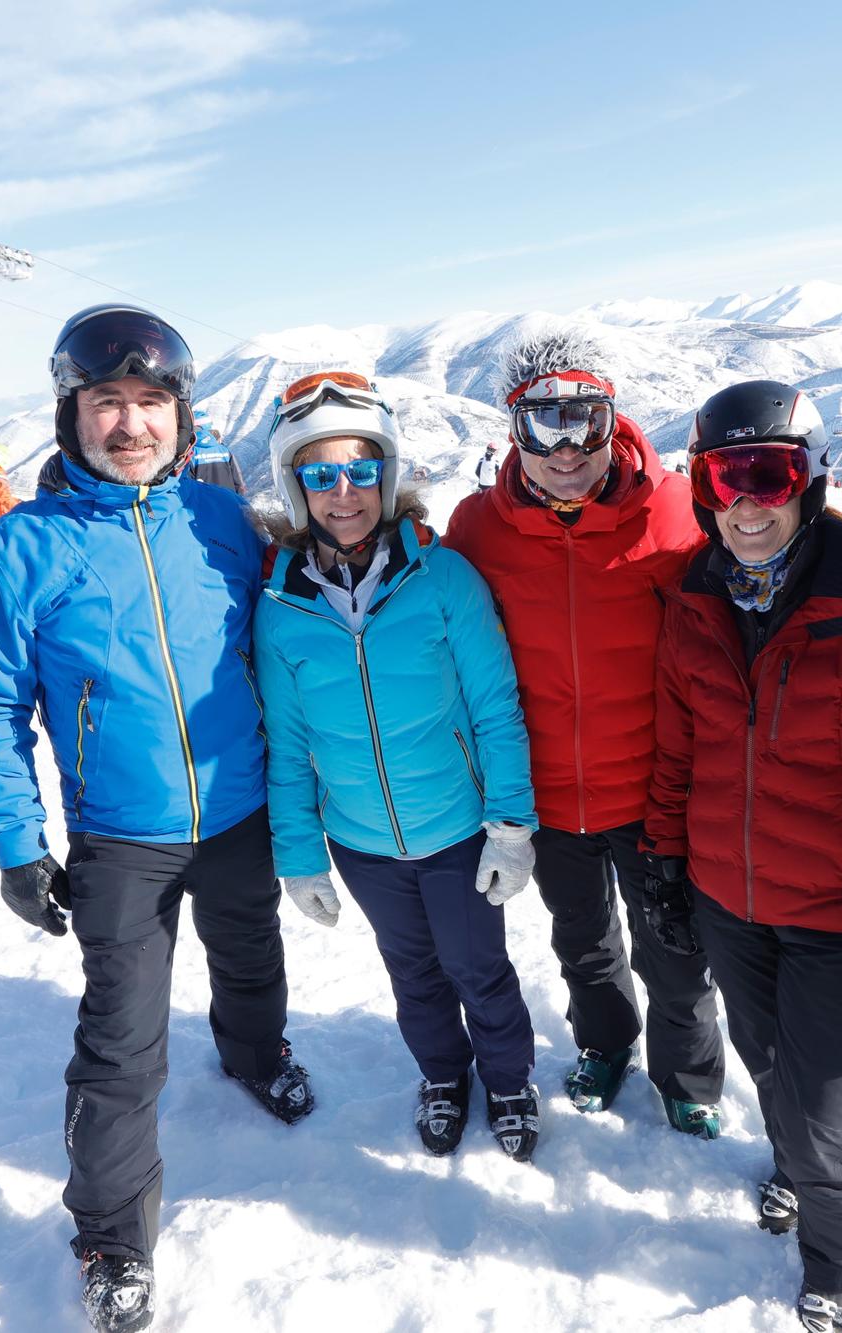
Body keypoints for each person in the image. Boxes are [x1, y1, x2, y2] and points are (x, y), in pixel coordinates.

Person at [0, 304, 312, 1333]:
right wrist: (17, 845)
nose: (130, 423)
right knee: (122, 1039)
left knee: (250, 952)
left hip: (238, 810)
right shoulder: (14, 550)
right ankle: (112, 1234)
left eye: (151, 401)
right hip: (119, 834)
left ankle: (255, 1053)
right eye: (107, 401)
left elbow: (283, 645)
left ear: (181, 415)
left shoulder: (220, 521)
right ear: (71, 414)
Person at [647, 380, 842, 1333]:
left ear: (810, 480)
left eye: (769, 475)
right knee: (767, 1060)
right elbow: (675, 748)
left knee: (824, 1109)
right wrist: (663, 862)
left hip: (835, 909)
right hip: (729, 895)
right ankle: (799, 1176)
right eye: (722, 478)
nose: (747, 502)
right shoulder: (697, 596)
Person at [445, 330, 727, 1140]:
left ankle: (688, 1075)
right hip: (549, 794)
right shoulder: (478, 528)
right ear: (514, 433)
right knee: (583, 942)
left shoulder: (672, 509)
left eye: (586, 422)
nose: (567, 448)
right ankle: (605, 1043)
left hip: (651, 787)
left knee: (672, 946)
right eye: (545, 426)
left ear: (614, 423)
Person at [254, 371, 542, 1161]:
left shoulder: (443, 578)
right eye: (320, 474)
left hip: (454, 825)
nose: (343, 492)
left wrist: (510, 824)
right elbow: (286, 744)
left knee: (477, 968)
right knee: (413, 974)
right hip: (363, 841)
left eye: (360, 469)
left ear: (387, 474)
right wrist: (301, 857)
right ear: (295, 484)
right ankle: (444, 1076)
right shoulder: (280, 605)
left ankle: (510, 1079)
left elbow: (495, 708)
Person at [188, 423, 246, 496]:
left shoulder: (192, 453)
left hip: (205, 502)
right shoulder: (224, 450)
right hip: (229, 500)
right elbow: (237, 480)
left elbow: (188, 486)